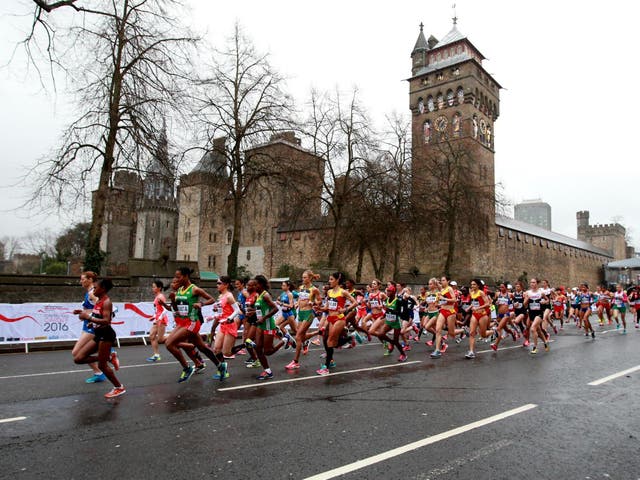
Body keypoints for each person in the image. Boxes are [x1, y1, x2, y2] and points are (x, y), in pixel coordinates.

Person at [165, 267, 227, 383]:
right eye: (176, 277)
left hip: (192, 322)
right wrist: (173, 300)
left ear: (186, 276)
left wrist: (200, 303)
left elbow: (211, 299)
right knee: (202, 347)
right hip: (182, 322)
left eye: (179, 277)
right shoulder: (179, 290)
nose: (176, 279)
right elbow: (175, 309)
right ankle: (220, 365)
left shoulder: (194, 289)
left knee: (169, 343)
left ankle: (187, 368)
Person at [73, 278, 125, 398]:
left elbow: (107, 321)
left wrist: (89, 318)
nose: (93, 289)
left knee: (102, 366)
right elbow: (97, 315)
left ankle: (119, 387)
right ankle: (108, 357)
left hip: (106, 335)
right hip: (98, 334)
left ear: (103, 289)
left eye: (96, 288)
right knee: (78, 358)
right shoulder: (99, 301)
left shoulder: (107, 302)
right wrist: (88, 318)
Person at [72, 271, 114, 383]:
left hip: (92, 326)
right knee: (80, 354)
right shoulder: (90, 292)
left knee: (77, 353)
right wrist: (82, 312)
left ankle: (106, 360)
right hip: (88, 324)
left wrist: (87, 316)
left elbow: (100, 307)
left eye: (83, 279)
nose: (81, 281)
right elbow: (95, 308)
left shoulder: (92, 293)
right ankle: (99, 371)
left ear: (90, 280)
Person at [316, 272, 357, 375]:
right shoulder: (329, 292)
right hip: (330, 318)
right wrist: (320, 308)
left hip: (339, 319)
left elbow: (355, 303)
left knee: (330, 341)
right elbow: (327, 307)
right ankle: (349, 338)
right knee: (326, 340)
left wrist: (345, 309)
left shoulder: (343, 292)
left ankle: (326, 367)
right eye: (329, 279)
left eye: (331, 279)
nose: (329, 281)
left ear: (337, 280)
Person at [249, 275, 282, 380]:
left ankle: (285, 341)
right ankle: (268, 371)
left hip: (268, 325)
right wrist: (253, 312)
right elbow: (262, 309)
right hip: (260, 325)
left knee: (267, 351)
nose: (254, 286)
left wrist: (264, 318)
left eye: (256, 284)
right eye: (253, 284)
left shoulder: (265, 295)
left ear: (261, 284)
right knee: (258, 348)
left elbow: (275, 309)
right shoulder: (258, 295)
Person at [210, 276, 242, 379]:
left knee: (227, 353)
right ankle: (223, 369)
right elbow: (221, 312)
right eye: (217, 283)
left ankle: (246, 345)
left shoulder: (229, 296)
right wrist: (215, 313)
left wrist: (229, 318)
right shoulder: (220, 296)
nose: (217, 285)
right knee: (216, 349)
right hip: (222, 325)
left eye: (219, 283)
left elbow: (237, 311)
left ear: (226, 285)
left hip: (230, 325)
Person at [466, 279, 493, 358]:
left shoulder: (481, 292)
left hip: (482, 315)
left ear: (478, 285)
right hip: (474, 314)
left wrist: (478, 308)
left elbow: (487, 304)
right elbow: (473, 303)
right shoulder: (471, 293)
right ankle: (471, 351)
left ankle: (493, 332)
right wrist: (469, 307)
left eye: (474, 284)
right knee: (472, 332)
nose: (472, 286)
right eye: (471, 284)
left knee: (483, 335)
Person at [147, 280, 169, 362]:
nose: (152, 288)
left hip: (161, 320)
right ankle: (156, 355)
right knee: (152, 336)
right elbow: (158, 310)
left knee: (160, 339)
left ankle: (176, 335)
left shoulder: (160, 297)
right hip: (157, 319)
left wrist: (159, 319)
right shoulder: (157, 296)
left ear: (159, 288)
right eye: (152, 287)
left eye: (154, 287)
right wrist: (153, 317)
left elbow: (165, 310)